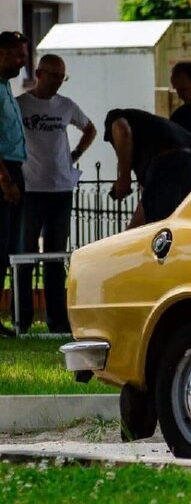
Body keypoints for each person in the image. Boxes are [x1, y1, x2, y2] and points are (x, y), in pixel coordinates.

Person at [16, 54, 96, 333]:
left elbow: (90, 128)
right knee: (24, 256)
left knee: (55, 257)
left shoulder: (66, 106)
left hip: (61, 189)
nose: (57, 82)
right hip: (31, 189)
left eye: (62, 77)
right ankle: (22, 320)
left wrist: (75, 154)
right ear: (39, 73)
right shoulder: (21, 105)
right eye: (52, 76)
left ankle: (57, 321)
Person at [104, 108, 191, 228]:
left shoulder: (114, 116)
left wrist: (124, 176)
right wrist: (130, 232)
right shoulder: (151, 134)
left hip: (169, 161)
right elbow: (145, 209)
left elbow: (122, 131)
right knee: (187, 223)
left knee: (159, 230)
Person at [0, 31, 28, 337]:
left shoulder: (6, 86)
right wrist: (4, 179)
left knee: (6, 247)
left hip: (14, 169)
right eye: (18, 56)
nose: (23, 62)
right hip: (4, 171)